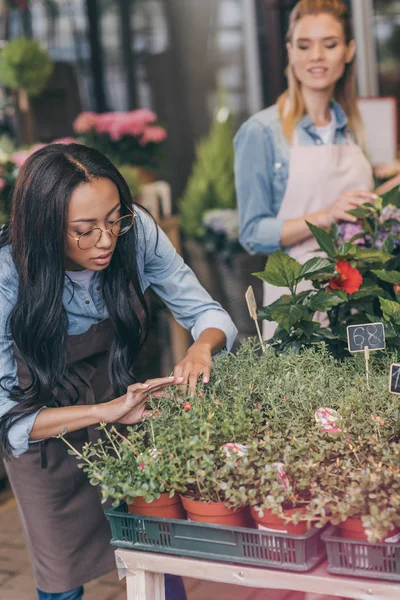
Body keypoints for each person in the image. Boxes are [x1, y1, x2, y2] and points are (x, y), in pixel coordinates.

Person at [0, 143, 237, 600]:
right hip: (43, 427)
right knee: (61, 577)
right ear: (45, 229)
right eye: (84, 231)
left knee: (156, 550)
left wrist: (201, 350)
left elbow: (206, 312)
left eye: (114, 219)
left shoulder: (136, 232)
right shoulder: (10, 271)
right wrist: (102, 412)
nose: (107, 240)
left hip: (125, 407)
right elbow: (6, 415)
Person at [234, 0, 376, 338]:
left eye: (329, 44)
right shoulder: (262, 132)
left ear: (349, 51)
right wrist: (327, 215)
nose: (316, 56)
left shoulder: (350, 128)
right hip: (297, 307)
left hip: (358, 298)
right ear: (290, 52)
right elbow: (253, 233)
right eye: (304, 45)